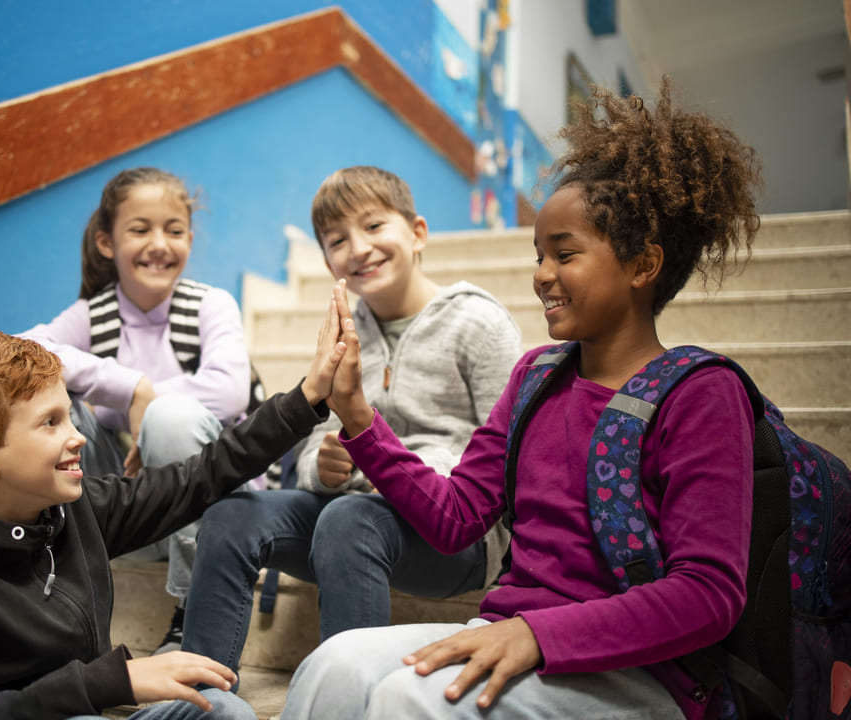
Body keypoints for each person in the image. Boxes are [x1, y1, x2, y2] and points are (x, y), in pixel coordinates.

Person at [280, 79, 763, 720]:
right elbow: (455, 519)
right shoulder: (535, 378)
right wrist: (360, 420)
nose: (540, 274)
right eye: (539, 255)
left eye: (565, 254)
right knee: (331, 668)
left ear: (643, 265)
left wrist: (539, 635)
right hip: (508, 637)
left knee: (406, 701)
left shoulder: (702, 393)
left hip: (640, 672)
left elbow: (708, 595)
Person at [0, 317, 348, 720]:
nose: (77, 438)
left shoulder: (72, 514)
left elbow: (199, 476)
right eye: (51, 423)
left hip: (91, 708)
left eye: (70, 416)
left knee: (220, 708)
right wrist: (108, 682)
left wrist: (306, 399)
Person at [181, 166, 522, 673]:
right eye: (338, 240)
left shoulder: (479, 323)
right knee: (230, 516)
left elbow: (507, 458)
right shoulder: (341, 330)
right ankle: (198, 693)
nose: (359, 248)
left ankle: (350, 699)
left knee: (348, 518)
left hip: (457, 537)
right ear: (327, 260)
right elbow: (315, 451)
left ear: (418, 233)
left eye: (375, 226)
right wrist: (325, 466)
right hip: (358, 515)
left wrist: (387, 467)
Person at [19, 167, 252, 653]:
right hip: (129, 510)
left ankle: (195, 608)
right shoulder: (93, 316)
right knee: (50, 404)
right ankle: (55, 581)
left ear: (189, 238)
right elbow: (21, 350)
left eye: (173, 230)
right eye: (139, 229)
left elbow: (231, 394)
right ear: (107, 242)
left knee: (171, 419)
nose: (159, 244)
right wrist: (130, 390)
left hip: (210, 511)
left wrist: (152, 411)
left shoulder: (211, 305)